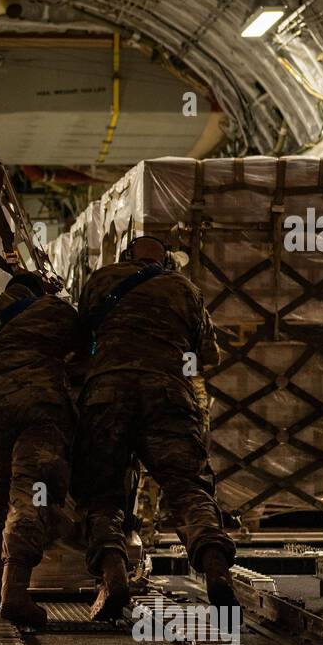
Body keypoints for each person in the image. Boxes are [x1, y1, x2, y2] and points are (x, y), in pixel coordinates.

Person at [72, 235, 237, 620]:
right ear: (164, 261)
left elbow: (78, 341)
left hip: (106, 397)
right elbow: (207, 354)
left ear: (127, 256)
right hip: (169, 397)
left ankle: (113, 574)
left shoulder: (100, 281)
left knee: (102, 493)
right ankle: (216, 570)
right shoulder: (184, 289)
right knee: (187, 488)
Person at [0, 271, 78, 628]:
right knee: (32, 492)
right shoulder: (56, 310)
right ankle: (15, 589)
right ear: (38, 292)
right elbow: (84, 355)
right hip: (41, 407)